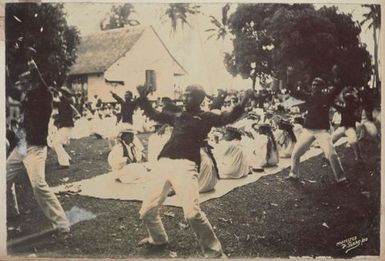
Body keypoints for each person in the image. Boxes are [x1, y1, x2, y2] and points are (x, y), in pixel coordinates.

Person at [136, 84, 255, 258]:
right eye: (184, 95)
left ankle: (215, 253)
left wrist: (242, 103)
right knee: (147, 210)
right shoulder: (177, 115)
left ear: (200, 99)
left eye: (189, 95)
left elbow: (227, 118)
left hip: (186, 165)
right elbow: (154, 114)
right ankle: (158, 238)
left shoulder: (206, 117)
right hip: (164, 163)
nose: (185, 98)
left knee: (192, 213)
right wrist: (143, 98)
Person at [6, 57, 70, 232]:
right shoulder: (28, 98)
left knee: (38, 185)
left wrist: (32, 63)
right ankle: (11, 216)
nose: (22, 85)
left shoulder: (44, 96)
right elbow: (11, 89)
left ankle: (62, 224)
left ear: (32, 83)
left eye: (25, 82)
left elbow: (39, 83)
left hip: (35, 149)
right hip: (22, 147)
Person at [286, 66, 347, 184]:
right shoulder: (309, 96)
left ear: (322, 87)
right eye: (313, 84)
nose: (314, 86)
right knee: (295, 153)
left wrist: (336, 74)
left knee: (331, 154)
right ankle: (293, 175)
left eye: (317, 85)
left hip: (322, 131)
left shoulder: (327, 96)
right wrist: (289, 76)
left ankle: (341, 179)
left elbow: (338, 87)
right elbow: (293, 91)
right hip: (308, 130)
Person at [332, 90, 362, 161]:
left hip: (350, 128)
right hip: (342, 128)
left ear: (350, 101)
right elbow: (335, 105)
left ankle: (358, 157)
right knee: (331, 139)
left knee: (354, 142)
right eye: (345, 100)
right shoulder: (347, 107)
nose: (345, 102)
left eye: (346, 100)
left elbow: (335, 105)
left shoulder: (352, 108)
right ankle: (327, 155)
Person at [52, 86, 75, 168]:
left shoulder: (69, 101)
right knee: (53, 144)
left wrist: (58, 92)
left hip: (67, 126)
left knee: (56, 143)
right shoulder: (62, 102)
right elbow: (54, 102)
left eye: (62, 92)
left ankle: (65, 163)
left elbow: (66, 101)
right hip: (64, 125)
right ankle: (66, 158)